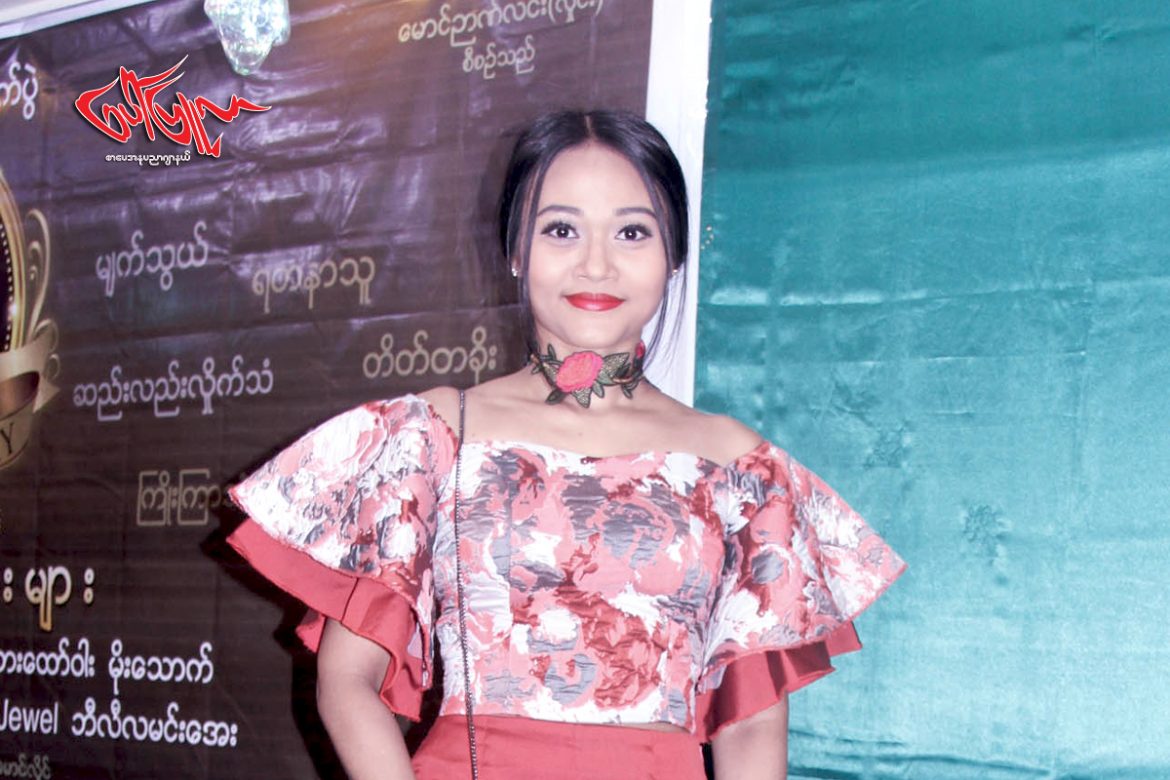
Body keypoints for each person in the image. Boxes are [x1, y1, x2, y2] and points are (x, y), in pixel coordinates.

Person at [227, 109, 906, 780]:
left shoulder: (740, 467)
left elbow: (753, 726)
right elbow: (347, 682)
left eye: (632, 232)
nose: (596, 264)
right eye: (561, 229)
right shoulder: (432, 435)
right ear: (515, 251)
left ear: (674, 256)